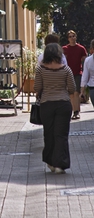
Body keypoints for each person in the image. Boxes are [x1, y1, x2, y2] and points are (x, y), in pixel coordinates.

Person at [34, 43, 75, 174]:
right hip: (63, 104)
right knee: (61, 135)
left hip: (47, 104)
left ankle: (50, 162)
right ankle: (60, 164)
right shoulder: (66, 69)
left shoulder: (40, 69)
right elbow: (72, 88)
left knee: (49, 134)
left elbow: (37, 87)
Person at [62, 30, 87, 119]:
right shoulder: (64, 49)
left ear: (76, 37)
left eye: (73, 36)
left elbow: (85, 60)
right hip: (68, 74)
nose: (72, 38)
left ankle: (77, 112)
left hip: (77, 73)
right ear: (68, 39)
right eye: (70, 37)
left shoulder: (81, 48)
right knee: (71, 94)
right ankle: (74, 111)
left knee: (76, 92)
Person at [80, 39, 94, 106]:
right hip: (92, 87)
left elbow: (85, 76)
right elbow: (85, 75)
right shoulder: (88, 60)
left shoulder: (88, 60)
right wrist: (82, 90)